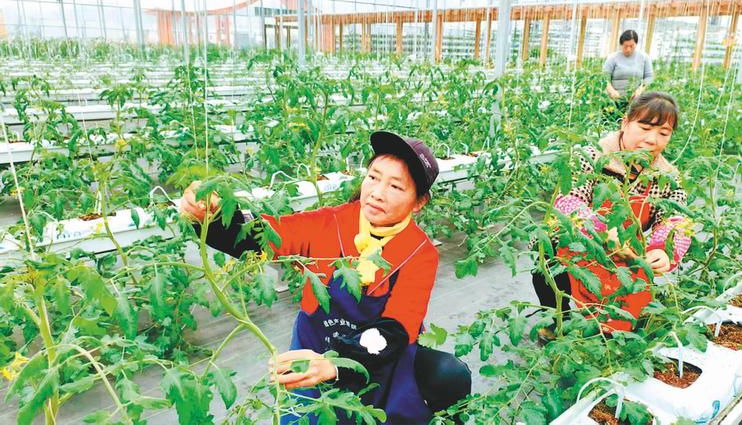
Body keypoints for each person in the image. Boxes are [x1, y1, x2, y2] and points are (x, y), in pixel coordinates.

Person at [180, 131, 471, 424]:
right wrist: (213, 216)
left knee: (447, 376)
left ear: (419, 202)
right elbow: (265, 235)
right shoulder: (330, 222)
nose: (377, 193)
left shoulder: (419, 252)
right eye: (373, 177)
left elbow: (397, 327)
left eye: (395, 186)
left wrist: (336, 364)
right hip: (313, 351)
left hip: (376, 358)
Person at [532, 92, 692, 332]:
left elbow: (676, 219)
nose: (652, 140)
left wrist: (664, 249)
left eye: (663, 133)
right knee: (547, 266)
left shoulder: (667, 176)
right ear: (625, 123)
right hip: (575, 242)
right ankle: (557, 321)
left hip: (624, 251)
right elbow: (569, 202)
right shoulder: (592, 156)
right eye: (645, 128)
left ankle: (608, 333)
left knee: (619, 313)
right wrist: (600, 231)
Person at [603, 30, 655, 125]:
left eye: (632, 46)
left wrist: (639, 90)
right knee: (611, 123)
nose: (628, 49)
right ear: (620, 45)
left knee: (631, 125)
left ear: (636, 44)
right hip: (614, 101)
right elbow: (604, 78)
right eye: (625, 46)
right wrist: (612, 91)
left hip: (635, 102)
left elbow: (649, 77)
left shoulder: (644, 58)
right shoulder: (613, 58)